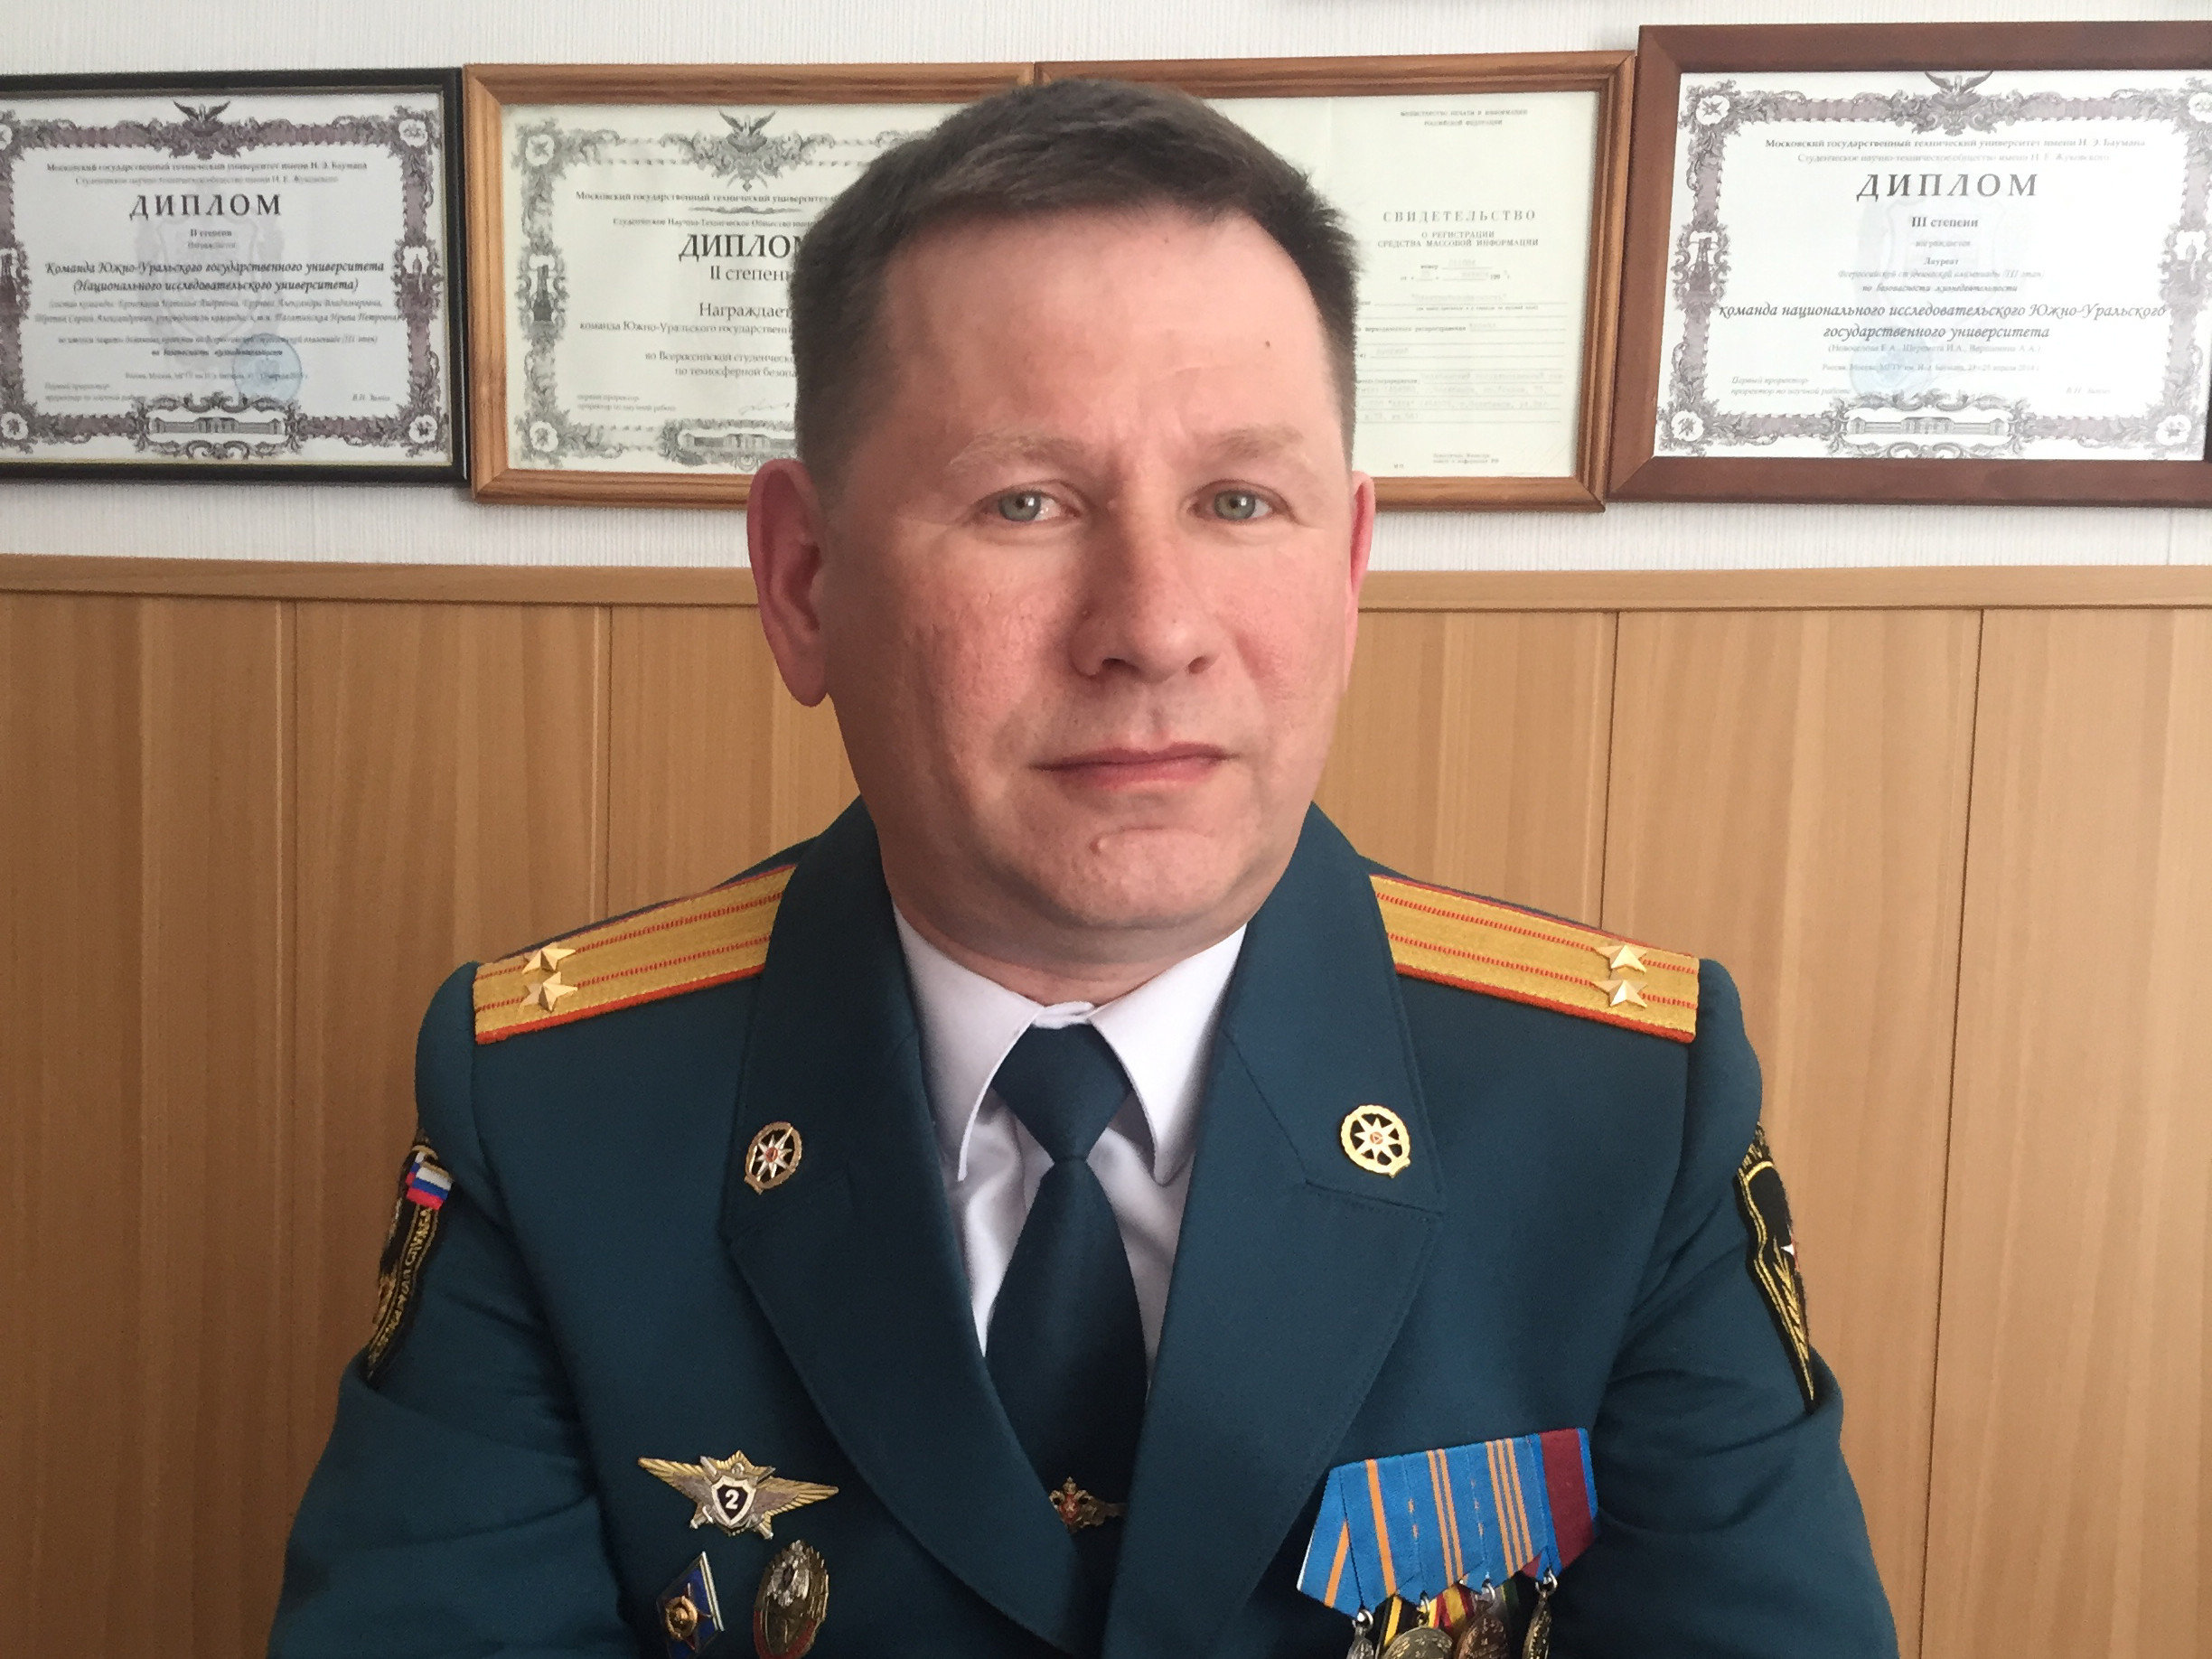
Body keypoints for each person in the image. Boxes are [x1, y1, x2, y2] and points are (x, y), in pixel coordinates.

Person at [270, 80, 1896, 1659]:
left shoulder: (1618, 1109)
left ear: (1347, 570)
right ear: (805, 580)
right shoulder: (560, 1106)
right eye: (1026, 502)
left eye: (1239, 500)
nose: (1155, 629)